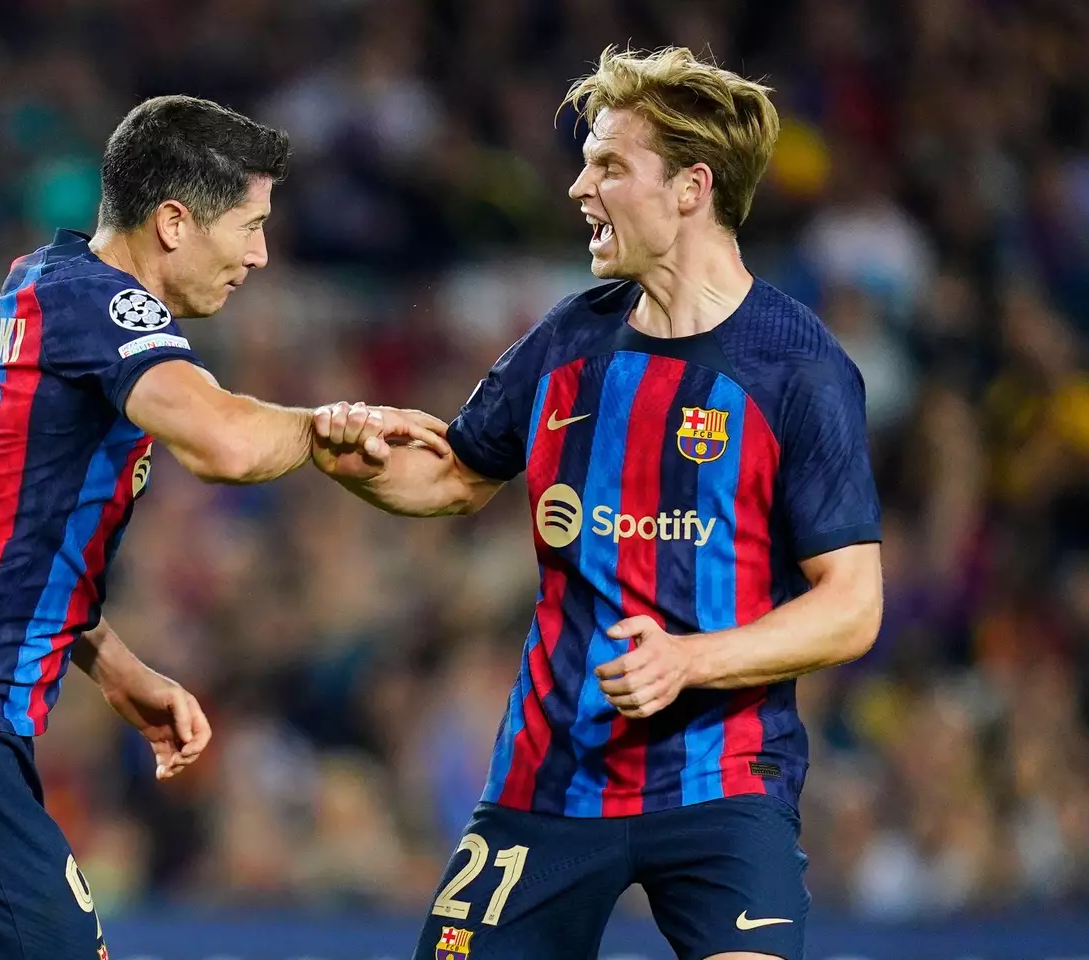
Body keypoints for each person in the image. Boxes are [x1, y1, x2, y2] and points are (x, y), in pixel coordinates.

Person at [0, 95, 446, 960]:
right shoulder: (98, 304)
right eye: (251, 225)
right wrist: (323, 425)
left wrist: (112, 664)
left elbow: (4, 533)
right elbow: (224, 442)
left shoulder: (50, 283)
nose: (261, 254)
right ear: (175, 222)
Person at [312, 47, 884, 960]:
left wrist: (689, 660)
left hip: (723, 782)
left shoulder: (800, 370)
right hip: (552, 777)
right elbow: (456, 475)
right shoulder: (569, 339)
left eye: (610, 165)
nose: (580, 186)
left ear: (692, 187)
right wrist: (342, 455)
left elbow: (853, 607)